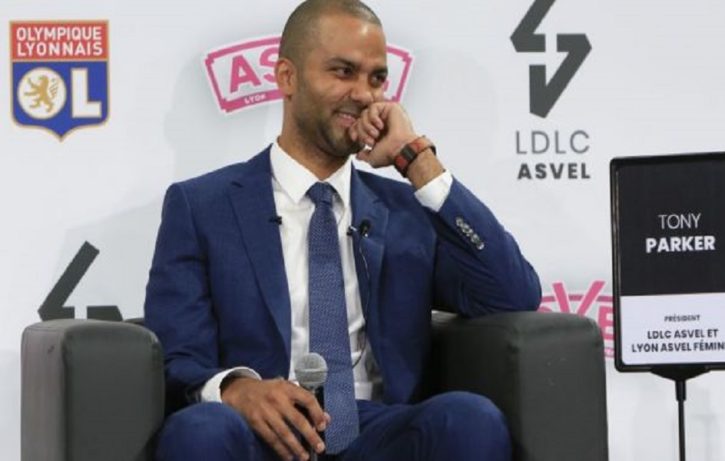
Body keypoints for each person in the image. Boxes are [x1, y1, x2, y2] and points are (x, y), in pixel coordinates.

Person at [144, 1, 542, 460]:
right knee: (201, 430)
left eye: (377, 79)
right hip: (259, 431)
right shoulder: (202, 206)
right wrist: (238, 389)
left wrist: (417, 160)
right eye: (343, 72)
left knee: (470, 420)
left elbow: (512, 294)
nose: (363, 94)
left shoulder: (407, 211)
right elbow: (176, 358)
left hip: (374, 431)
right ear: (287, 77)